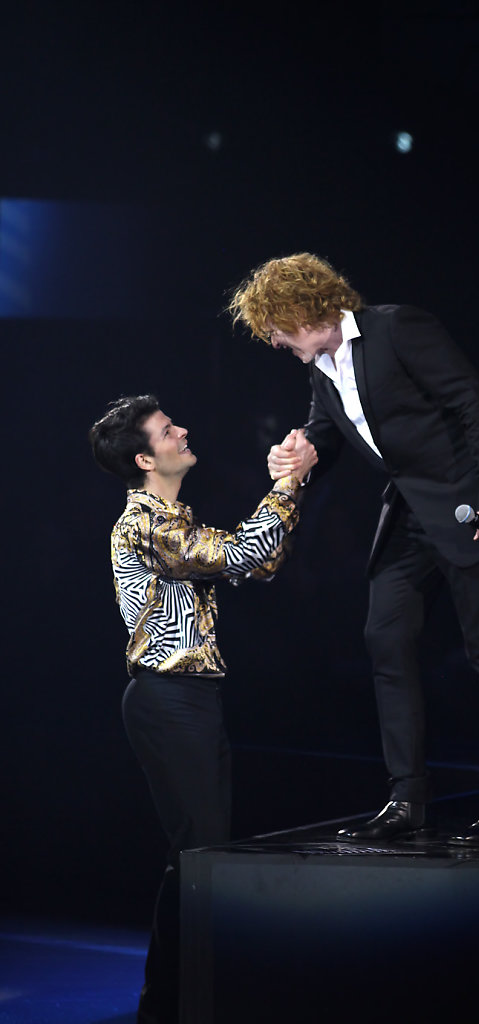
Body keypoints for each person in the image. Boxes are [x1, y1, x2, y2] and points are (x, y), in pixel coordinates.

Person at [228, 253, 479, 845]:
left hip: (464, 508)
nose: (273, 342)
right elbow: (327, 432)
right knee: (385, 639)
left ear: (301, 308)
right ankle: (405, 800)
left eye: (274, 328)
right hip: (406, 520)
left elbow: (471, 401)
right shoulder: (321, 367)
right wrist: (297, 456)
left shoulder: (397, 328)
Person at [88, 395, 316, 1024]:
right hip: (167, 700)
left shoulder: (171, 517)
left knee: (197, 853)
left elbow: (256, 563)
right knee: (204, 852)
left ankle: (169, 1001)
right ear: (145, 457)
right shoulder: (146, 522)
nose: (182, 430)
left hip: (190, 697)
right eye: (168, 431)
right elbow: (243, 555)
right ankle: (180, 1002)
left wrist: (286, 490)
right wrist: (289, 483)